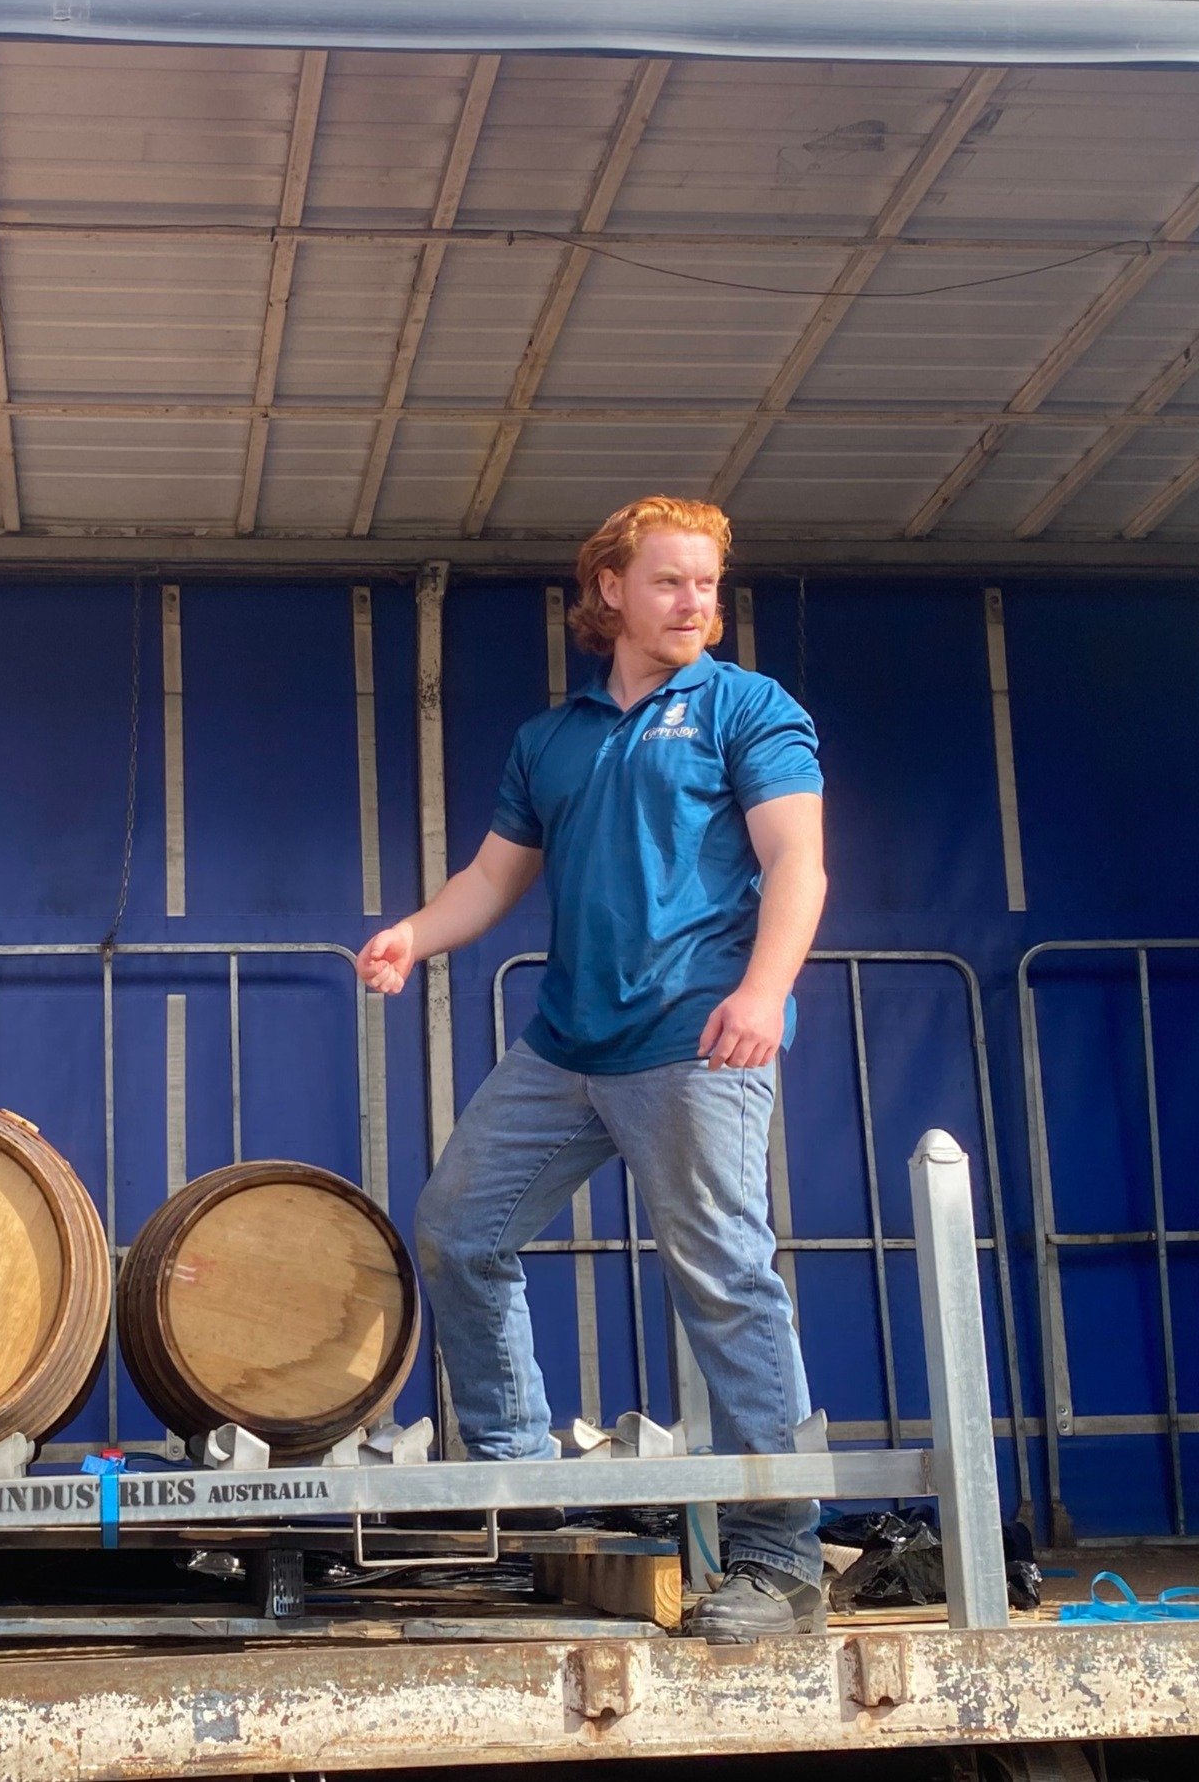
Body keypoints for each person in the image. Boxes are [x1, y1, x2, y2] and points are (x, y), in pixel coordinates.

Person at [357, 494, 828, 1641]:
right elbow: (491, 878)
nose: (695, 602)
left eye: (708, 582)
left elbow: (796, 862)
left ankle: (780, 1560)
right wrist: (413, 934)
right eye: (670, 580)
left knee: (725, 1279)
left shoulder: (747, 707)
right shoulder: (551, 738)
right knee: (458, 1229)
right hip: (566, 1043)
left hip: (695, 1037)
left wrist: (761, 991)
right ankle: (521, 1486)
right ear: (609, 589)